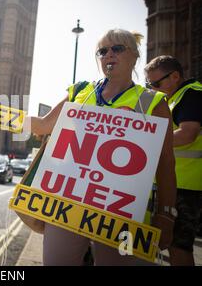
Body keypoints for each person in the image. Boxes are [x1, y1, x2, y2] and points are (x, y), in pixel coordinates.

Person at [18, 29, 177, 265]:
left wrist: (166, 214)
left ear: (134, 56)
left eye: (117, 49)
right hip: (65, 205)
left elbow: (165, 165)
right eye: (102, 51)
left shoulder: (152, 103)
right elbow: (42, 126)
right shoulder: (80, 91)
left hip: (121, 215)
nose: (109, 55)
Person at [144, 55, 202, 266]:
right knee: (165, 242)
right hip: (173, 182)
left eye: (157, 83)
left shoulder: (192, 95)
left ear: (175, 76)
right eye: (150, 84)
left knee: (179, 246)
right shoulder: (171, 99)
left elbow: (188, 134)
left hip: (187, 186)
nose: (153, 88)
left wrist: (146, 141)